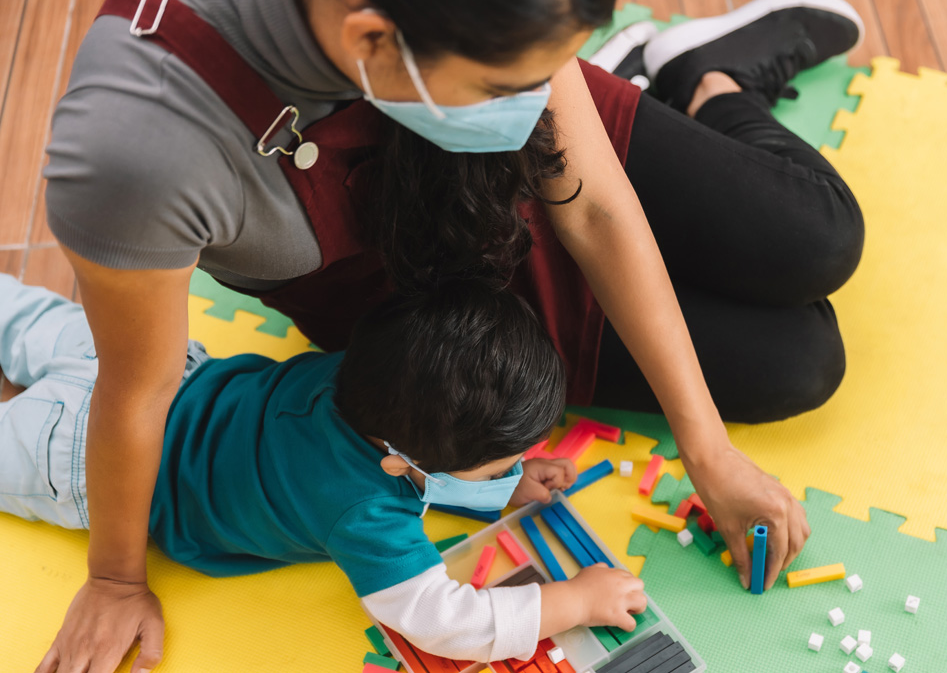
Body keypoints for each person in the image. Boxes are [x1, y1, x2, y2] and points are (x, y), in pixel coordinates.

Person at [39, 0, 863, 668]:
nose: (543, 95)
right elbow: (138, 382)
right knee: (804, 361)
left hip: (493, 164)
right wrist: (114, 576)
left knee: (822, 237)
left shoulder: (505, 61)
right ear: (372, 39)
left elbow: (595, 206)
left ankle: (700, 78)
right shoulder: (136, 153)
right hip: (442, 325)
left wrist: (706, 447)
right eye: (520, 83)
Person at [0, 273, 648, 664]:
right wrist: (574, 599)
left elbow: (441, 450)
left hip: (151, 365)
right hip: (83, 459)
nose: (514, 472)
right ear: (398, 461)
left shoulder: (370, 367)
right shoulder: (365, 511)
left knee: (21, 313)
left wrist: (504, 486)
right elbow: (447, 621)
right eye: (502, 465)